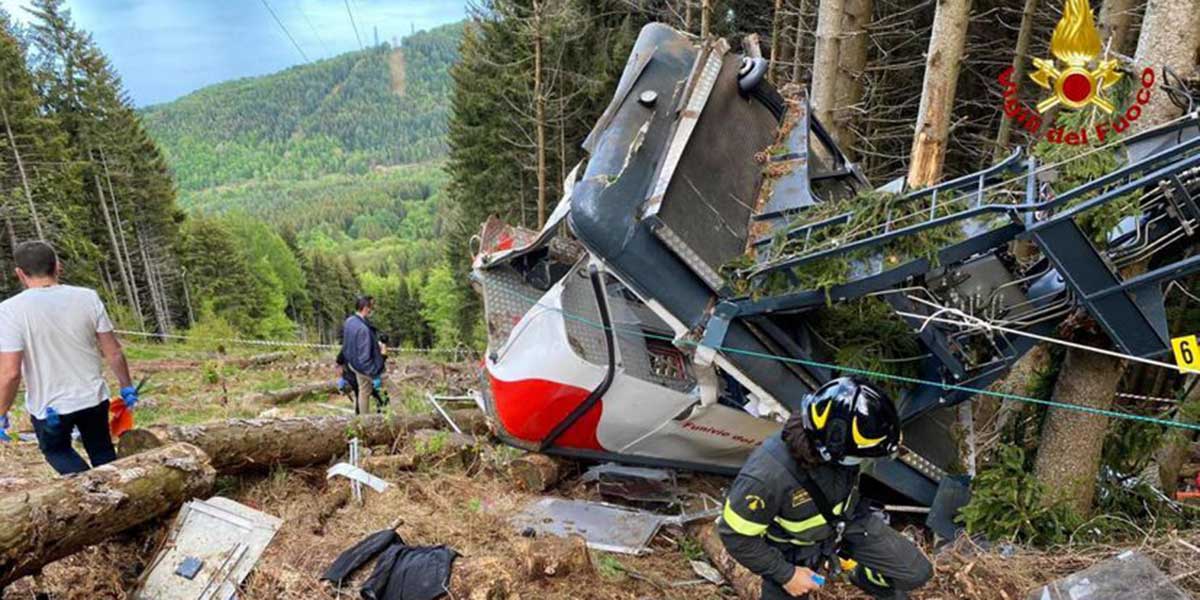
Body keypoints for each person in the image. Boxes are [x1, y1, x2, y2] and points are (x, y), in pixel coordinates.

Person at [718, 377, 932, 599]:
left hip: (847, 522)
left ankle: (866, 578)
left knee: (916, 572)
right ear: (831, 449)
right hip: (792, 551)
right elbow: (735, 536)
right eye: (858, 456)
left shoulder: (838, 439)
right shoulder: (766, 477)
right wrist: (786, 575)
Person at [0, 241, 139, 474]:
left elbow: (10, 373)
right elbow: (113, 351)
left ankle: (90, 487)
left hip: (50, 407)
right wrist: (126, 386)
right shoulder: (88, 298)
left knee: (58, 451)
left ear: (20, 273)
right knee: (102, 450)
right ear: (57, 266)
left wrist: (2, 411)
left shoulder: (9, 310)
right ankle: (113, 486)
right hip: (93, 397)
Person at [340, 295, 385, 415]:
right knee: (394, 391)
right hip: (366, 368)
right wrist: (375, 375)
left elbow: (347, 346)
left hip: (354, 366)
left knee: (364, 391)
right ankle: (399, 420)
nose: (372, 310)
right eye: (371, 307)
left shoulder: (349, 321)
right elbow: (364, 356)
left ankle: (364, 420)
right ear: (365, 308)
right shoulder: (363, 329)